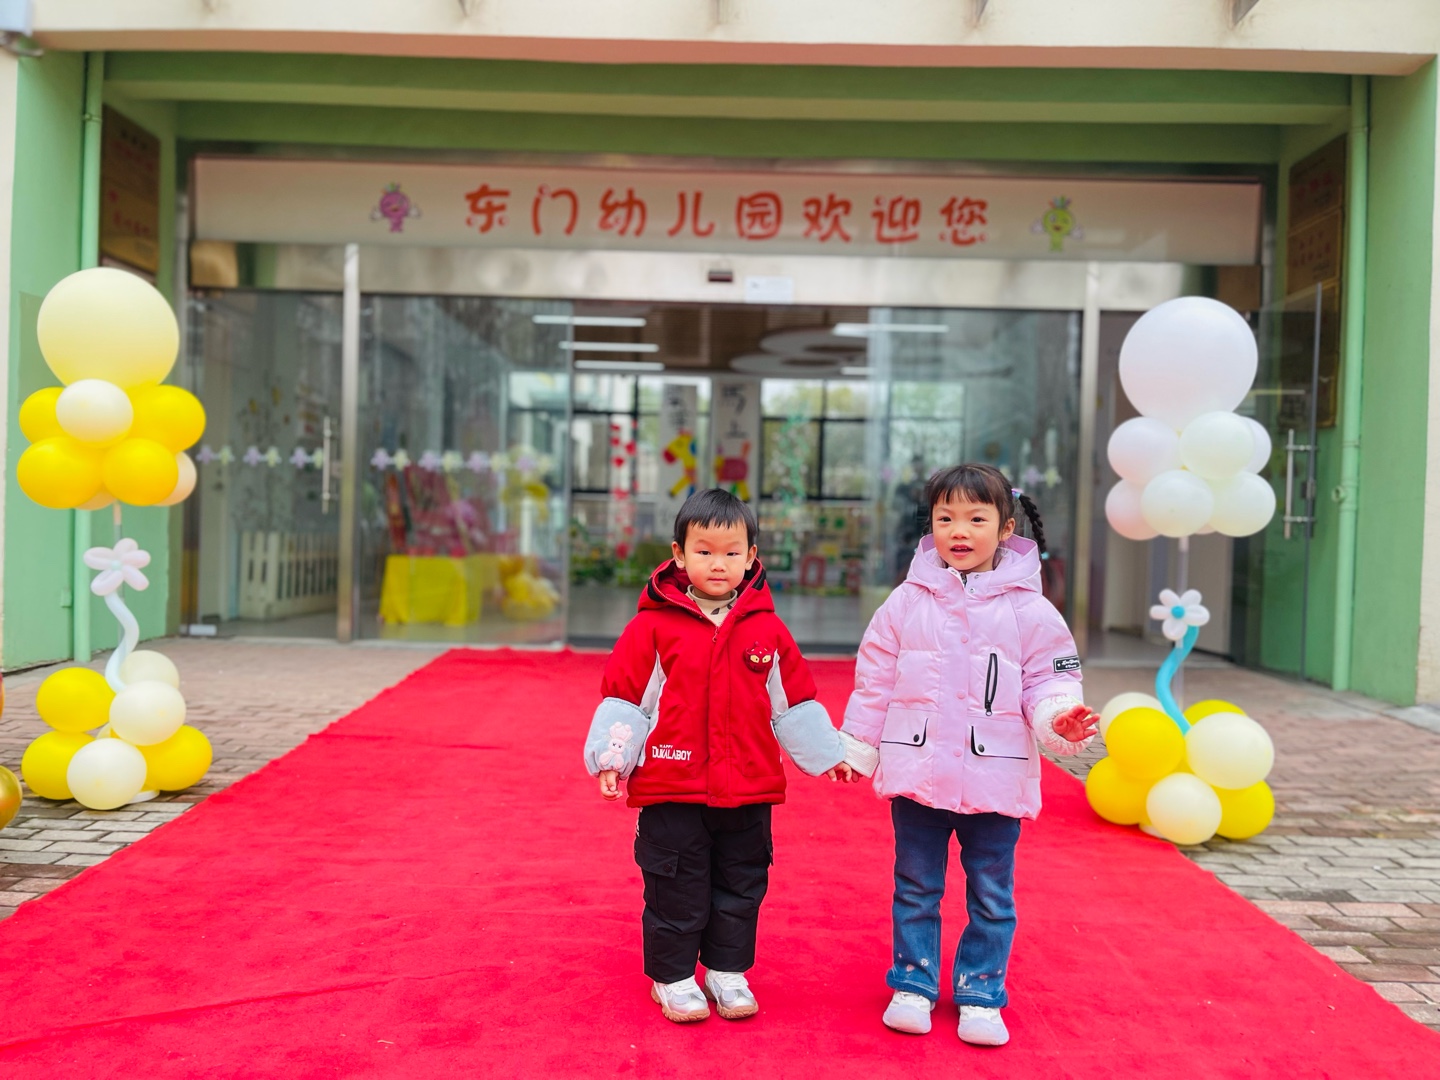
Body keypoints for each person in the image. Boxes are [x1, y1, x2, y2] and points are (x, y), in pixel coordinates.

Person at [584, 488, 876, 1024]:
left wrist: (829, 753)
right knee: (676, 886)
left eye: (731, 552)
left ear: (751, 556)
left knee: (741, 884)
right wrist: (612, 756)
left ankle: (727, 971)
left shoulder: (767, 630)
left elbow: (793, 704)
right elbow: (627, 699)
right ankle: (673, 977)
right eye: (704, 551)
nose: (718, 564)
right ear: (679, 554)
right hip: (672, 785)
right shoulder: (652, 627)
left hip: (748, 787)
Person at [837, 464, 1097, 1047]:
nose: (959, 530)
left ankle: (981, 992)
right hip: (919, 771)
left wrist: (1059, 719)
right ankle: (913, 983)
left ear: (1005, 528)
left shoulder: (1031, 610)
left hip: (993, 777)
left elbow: (1050, 681)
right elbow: (874, 681)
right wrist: (857, 746)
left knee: (991, 894)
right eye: (946, 518)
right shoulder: (906, 602)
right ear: (930, 526)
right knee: (915, 886)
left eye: (976, 519)